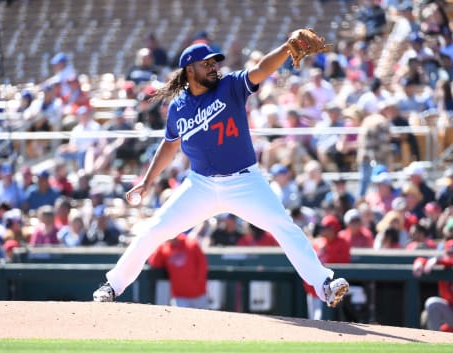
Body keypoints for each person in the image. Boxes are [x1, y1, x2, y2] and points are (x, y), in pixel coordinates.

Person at [93, 40, 349, 307]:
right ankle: (113, 285)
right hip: (200, 185)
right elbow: (170, 144)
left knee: (283, 226)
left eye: (215, 62)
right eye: (207, 63)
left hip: (245, 181)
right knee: (153, 230)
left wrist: (287, 47)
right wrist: (146, 182)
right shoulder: (178, 107)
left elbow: (261, 68)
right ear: (190, 70)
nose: (214, 67)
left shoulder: (231, 86)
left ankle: (324, 284)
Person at [148, 233, 209, 309]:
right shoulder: (164, 248)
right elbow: (154, 263)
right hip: (179, 296)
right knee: (180, 320)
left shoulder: (191, 243)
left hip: (198, 295)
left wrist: (199, 283)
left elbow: (202, 265)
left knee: (202, 319)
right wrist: (160, 245)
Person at [412, 239, 453, 332]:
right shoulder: (443, 265)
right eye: (450, 252)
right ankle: (434, 339)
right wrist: (420, 262)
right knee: (432, 303)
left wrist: (438, 261)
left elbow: (449, 261)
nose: (452, 255)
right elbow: (421, 259)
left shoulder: (442, 262)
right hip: (450, 312)